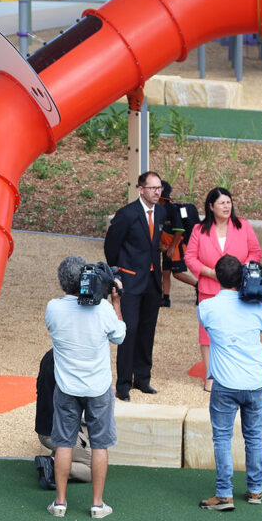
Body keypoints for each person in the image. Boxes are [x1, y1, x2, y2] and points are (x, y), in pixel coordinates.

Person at [197, 255, 262, 511]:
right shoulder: (256, 307)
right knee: (254, 438)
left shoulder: (207, 307)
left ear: (217, 276)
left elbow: (206, 325)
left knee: (222, 438)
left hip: (224, 384)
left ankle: (224, 493)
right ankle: (255, 490)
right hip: (255, 381)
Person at [44, 255, 125, 519]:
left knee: (63, 443)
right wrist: (115, 300)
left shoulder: (53, 308)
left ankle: (60, 502)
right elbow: (120, 335)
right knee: (99, 445)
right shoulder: (102, 309)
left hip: (67, 386)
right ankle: (98, 504)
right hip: (98, 387)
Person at [185, 186, 262, 391]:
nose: (226, 206)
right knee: (207, 333)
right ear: (211, 206)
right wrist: (209, 272)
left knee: (236, 328)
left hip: (238, 287)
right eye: (222, 203)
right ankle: (211, 375)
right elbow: (190, 257)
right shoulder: (199, 230)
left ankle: (235, 371)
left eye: (229, 202)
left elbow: (255, 252)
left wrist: (241, 270)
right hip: (209, 287)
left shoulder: (243, 226)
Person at [103, 171, 166, 401]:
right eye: (152, 188)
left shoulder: (161, 213)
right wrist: (117, 272)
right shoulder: (127, 214)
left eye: (159, 188)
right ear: (141, 189)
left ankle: (142, 378)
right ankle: (123, 384)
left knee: (147, 331)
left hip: (152, 281)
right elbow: (111, 246)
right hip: (130, 280)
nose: (157, 192)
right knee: (128, 332)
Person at [33, 349, 92, 490]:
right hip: (57, 431)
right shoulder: (70, 361)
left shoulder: (52, 354)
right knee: (93, 468)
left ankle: (56, 459)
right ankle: (52, 464)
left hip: (46, 426)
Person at [157, 181, 199, 307]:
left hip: (176, 247)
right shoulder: (158, 210)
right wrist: (160, 244)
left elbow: (179, 230)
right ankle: (166, 298)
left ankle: (199, 286)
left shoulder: (172, 211)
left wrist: (172, 247)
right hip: (166, 247)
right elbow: (158, 229)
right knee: (165, 272)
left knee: (177, 273)